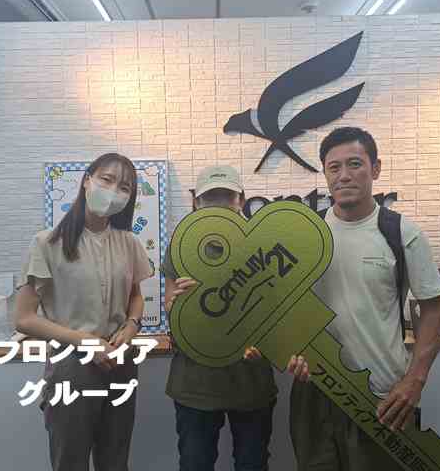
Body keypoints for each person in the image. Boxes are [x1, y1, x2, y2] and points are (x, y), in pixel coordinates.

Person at [287, 127, 440, 470]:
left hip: (382, 396)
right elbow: (287, 306)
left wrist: (415, 380)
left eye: (355, 164)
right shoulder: (306, 234)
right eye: (334, 167)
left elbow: (434, 308)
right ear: (325, 174)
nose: (344, 175)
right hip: (315, 393)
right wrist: (292, 349)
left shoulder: (402, 232)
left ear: (375, 168)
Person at [15, 153, 153, 471]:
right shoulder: (47, 243)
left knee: (115, 460)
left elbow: (135, 296)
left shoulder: (129, 242)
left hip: (120, 361)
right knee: (70, 461)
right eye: (107, 179)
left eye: (124, 187)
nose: (114, 191)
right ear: (86, 180)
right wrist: (86, 342)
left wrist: (132, 324)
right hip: (72, 366)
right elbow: (24, 318)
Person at [162, 165, 278, 471]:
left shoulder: (262, 243)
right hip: (195, 383)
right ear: (196, 202)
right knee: (195, 463)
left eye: (226, 196)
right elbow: (170, 308)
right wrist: (178, 305)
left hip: (251, 380)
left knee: (253, 464)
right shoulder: (181, 245)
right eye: (210, 198)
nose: (219, 205)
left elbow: (275, 308)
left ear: (241, 200)